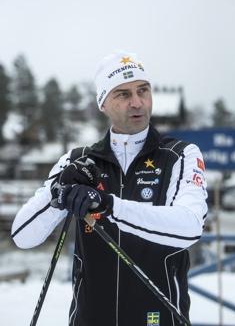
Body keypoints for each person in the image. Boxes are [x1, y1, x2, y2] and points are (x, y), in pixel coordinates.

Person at [12, 51, 208, 326]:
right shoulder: (76, 160)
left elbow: (190, 227)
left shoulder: (180, 155)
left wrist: (108, 205)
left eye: (143, 90)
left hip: (159, 318)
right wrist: (56, 192)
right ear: (103, 103)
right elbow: (22, 235)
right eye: (123, 94)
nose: (137, 102)